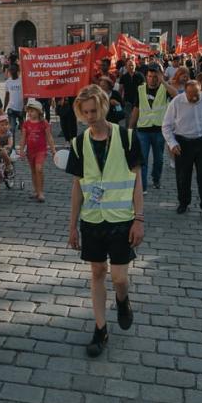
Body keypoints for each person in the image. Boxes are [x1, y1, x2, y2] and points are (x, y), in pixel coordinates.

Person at [67, 84, 144, 357]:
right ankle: (100, 329)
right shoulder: (78, 143)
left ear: (104, 107)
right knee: (98, 272)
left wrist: (139, 218)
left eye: (94, 110)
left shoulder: (127, 138)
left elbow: (137, 180)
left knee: (119, 278)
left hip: (122, 220)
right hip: (92, 221)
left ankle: (122, 301)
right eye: (85, 112)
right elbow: (77, 186)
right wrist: (72, 225)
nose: (90, 116)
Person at [162, 80, 202, 221]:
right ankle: (184, 202)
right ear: (185, 92)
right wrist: (172, 143)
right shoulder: (177, 102)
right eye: (190, 95)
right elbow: (166, 126)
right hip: (183, 143)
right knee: (183, 176)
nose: (194, 98)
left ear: (200, 91)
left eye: (196, 94)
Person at [128, 64, 175, 191]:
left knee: (159, 159)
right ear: (146, 77)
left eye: (155, 77)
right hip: (143, 130)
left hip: (159, 130)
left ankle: (156, 179)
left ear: (159, 76)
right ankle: (142, 186)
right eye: (150, 76)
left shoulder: (164, 89)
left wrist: (164, 82)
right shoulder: (140, 89)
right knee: (142, 160)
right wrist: (130, 128)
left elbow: (176, 95)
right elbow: (136, 109)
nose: (152, 79)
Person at [18, 99, 56, 203]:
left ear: (39, 111)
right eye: (29, 111)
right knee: (33, 171)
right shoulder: (26, 124)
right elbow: (23, 138)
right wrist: (21, 150)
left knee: (39, 169)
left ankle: (41, 192)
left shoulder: (44, 123)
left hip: (41, 150)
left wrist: (53, 150)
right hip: (30, 151)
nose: (30, 113)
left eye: (32, 111)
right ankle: (36, 190)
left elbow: (49, 137)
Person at [3, 63, 24, 143]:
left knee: (23, 129)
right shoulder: (8, 82)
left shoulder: (22, 81)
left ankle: (24, 146)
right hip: (11, 109)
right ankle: (12, 148)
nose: (11, 71)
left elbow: (26, 95)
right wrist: (4, 108)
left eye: (13, 69)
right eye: (10, 70)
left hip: (21, 109)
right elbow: (7, 96)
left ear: (18, 71)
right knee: (12, 129)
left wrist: (24, 107)